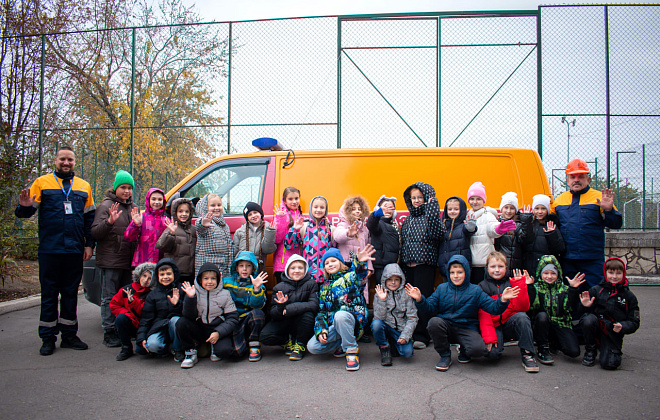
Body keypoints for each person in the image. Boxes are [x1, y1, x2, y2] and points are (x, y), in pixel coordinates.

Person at [15, 146, 95, 355]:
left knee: (70, 293)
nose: (66, 163)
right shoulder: (42, 182)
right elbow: (26, 211)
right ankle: (47, 337)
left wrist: (89, 244)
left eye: (70, 159)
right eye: (62, 159)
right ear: (55, 160)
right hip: (50, 250)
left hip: (74, 250)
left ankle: (69, 335)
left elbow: (89, 219)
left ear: (75, 162)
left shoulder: (84, 186)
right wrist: (24, 207)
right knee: (49, 293)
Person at [405, 254, 518, 372]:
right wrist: (420, 299)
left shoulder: (476, 290)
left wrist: (503, 300)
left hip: (467, 328)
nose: (456, 276)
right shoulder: (442, 289)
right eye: (452, 273)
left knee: (478, 350)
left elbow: (493, 308)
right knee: (434, 322)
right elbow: (429, 308)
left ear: (466, 273)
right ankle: (445, 356)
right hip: (447, 326)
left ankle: (465, 350)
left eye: (460, 272)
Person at [551, 158, 623, 288]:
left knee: (596, 294)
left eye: (581, 176)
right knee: (571, 296)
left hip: (592, 259)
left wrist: (609, 210)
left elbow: (616, 224)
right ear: (567, 180)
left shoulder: (600, 198)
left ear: (588, 179)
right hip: (568, 259)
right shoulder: (559, 201)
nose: (576, 180)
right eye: (572, 177)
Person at [307, 246, 375, 371]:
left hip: (354, 323)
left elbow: (361, 276)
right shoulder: (323, 288)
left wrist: (360, 263)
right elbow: (322, 312)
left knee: (340, 315)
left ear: (340, 262)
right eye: (327, 263)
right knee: (313, 347)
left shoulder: (350, 278)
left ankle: (351, 350)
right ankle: (343, 343)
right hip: (336, 325)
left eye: (333, 261)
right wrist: (321, 330)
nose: (330, 264)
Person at [91, 170, 138, 348]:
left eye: (129, 188)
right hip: (111, 260)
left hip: (128, 261)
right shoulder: (106, 206)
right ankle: (109, 331)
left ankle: (124, 327)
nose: (126, 191)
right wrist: (108, 222)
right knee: (109, 297)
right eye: (123, 187)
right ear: (116, 188)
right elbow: (95, 232)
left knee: (127, 296)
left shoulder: (131, 207)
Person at [400, 182, 444, 349]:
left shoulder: (430, 215)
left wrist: (433, 208)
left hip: (424, 264)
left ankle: (423, 336)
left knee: (422, 298)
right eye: (413, 198)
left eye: (420, 197)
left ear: (427, 198)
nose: (417, 200)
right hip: (408, 265)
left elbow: (437, 233)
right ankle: (411, 332)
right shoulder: (409, 219)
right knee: (410, 301)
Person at [478, 251, 538, 373]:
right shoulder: (481, 286)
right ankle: (496, 343)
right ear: (487, 268)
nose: (497, 270)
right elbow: (483, 315)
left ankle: (528, 354)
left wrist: (521, 286)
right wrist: (490, 338)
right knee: (492, 356)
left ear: (506, 268)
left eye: (500, 267)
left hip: (509, 322)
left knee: (522, 317)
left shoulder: (511, 282)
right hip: (493, 325)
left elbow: (523, 308)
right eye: (493, 266)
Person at [579, 257, 640, 370]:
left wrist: (623, 326)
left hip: (612, 332)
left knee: (610, 364)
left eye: (618, 273)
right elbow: (582, 315)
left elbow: (634, 322)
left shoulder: (629, 297)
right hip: (596, 327)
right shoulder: (596, 290)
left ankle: (606, 347)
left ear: (624, 273)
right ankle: (590, 349)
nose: (614, 276)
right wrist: (585, 306)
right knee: (588, 319)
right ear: (605, 273)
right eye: (611, 273)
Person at [176, 262, 239, 368]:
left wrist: (218, 332)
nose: (209, 282)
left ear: (218, 280)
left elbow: (232, 318)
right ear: (200, 280)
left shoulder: (225, 294)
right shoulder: (193, 292)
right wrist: (190, 298)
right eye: (206, 278)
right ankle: (190, 352)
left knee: (225, 351)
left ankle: (214, 347)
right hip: (200, 328)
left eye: (213, 278)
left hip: (216, 328)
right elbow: (189, 316)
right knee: (181, 323)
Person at [260, 254, 319, 361]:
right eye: (293, 268)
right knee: (265, 336)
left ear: (305, 269)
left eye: (300, 268)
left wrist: (289, 308)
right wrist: (281, 306)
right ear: (287, 270)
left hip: (302, 323)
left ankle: (300, 345)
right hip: (285, 321)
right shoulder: (279, 287)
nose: (296, 271)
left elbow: (313, 305)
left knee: (308, 314)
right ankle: (288, 342)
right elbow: (274, 314)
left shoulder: (311, 284)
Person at [527, 255, 583, 365]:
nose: (549, 276)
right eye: (546, 273)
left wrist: (573, 290)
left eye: (553, 273)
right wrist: (529, 287)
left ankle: (555, 343)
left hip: (560, 323)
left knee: (574, 352)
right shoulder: (536, 287)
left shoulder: (564, 289)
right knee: (542, 316)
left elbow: (569, 307)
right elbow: (532, 307)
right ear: (540, 273)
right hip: (542, 324)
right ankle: (542, 348)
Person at [466, 181, 515, 284]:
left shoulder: (488, 215)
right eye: (472, 199)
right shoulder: (468, 216)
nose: (475, 202)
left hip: (484, 263)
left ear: (483, 200)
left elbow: (492, 228)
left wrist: (498, 229)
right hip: (470, 261)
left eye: (478, 199)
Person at [136, 258, 185, 361]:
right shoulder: (153, 294)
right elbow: (146, 318)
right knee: (152, 345)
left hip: (175, 326)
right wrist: (141, 337)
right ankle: (165, 349)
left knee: (176, 320)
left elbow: (188, 314)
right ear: (157, 277)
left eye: (168, 274)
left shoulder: (181, 289)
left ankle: (177, 349)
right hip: (159, 325)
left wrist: (177, 304)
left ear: (174, 274)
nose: (165, 277)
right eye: (162, 275)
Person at [222, 251, 267, 361]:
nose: (245, 269)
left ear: (253, 269)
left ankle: (254, 345)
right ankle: (242, 343)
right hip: (231, 321)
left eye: (248, 266)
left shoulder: (257, 284)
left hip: (247, 320)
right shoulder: (226, 282)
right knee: (236, 354)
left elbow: (257, 305)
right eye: (241, 266)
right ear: (236, 268)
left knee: (258, 314)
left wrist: (256, 289)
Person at [371, 263, 418, 366]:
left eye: (396, 279)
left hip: (400, 329)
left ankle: (394, 342)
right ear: (385, 280)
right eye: (389, 279)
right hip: (387, 326)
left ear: (401, 280)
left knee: (407, 353)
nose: (393, 282)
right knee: (376, 324)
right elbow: (379, 318)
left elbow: (412, 317)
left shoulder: (406, 294)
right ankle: (384, 347)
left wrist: (405, 335)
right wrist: (382, 300)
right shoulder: (379, 293)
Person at [109, 262, 154, 361]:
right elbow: (114, 304)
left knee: (143, 352)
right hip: (131, 322)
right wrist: (127, 314)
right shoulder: (126, 289)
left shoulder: (152, 293)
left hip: (145, 325)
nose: (146, 280)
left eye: (150, 278)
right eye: (144, 276)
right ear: (139, 275)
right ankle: (126, 347)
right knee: (121, 318)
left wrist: (133, 302)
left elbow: (145, 312)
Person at [285, 195, 334, 283]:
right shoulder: (305, 227)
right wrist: (294, 229)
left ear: (326, 210)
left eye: (322, 207)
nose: (318, 210)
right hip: (308, 276)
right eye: (315, 207)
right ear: (311, 208)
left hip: (327, 276)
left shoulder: (330, 229)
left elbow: (334, 251)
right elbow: (289, 245)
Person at [333, 195, 373, 302]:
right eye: (353, 209)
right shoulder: (343, 225)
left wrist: (369, 267)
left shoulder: (364, 229)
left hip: (360, 266)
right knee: (345, 295)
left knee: (360, 293)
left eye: (359, 209)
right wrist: (348, 233)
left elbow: (367, 249)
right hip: (346, 266)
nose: (357, 212)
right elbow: (337, 236)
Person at [156, 198, 197, 284]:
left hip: (190, 272)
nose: (184, 214)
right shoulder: (172, 228)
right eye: (180, 211)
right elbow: (161, 246)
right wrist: (171, 234)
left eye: (187, 212)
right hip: (175, 272)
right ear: (175, 213)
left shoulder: (193, 229)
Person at [522, 194, 565, 277]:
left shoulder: (552, 225)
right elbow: (523, 242)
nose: (540, 212)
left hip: (545, 267)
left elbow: (560, 248)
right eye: (537, 208)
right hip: (529, 265)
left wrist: (551, 235)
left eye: (543, 208)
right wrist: (526, 223)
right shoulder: (530, 223)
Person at [123, 188, 167, 267]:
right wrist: (135, 225)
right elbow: (128, 237)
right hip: (142, 262)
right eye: (153, 199)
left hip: (160, 264)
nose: (156, 202)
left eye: (160, 199)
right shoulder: (141, 217)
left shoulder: (166, 221)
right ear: (148, 200)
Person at [366, 195, 400, 294]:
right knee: (382, 294)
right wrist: (377, 214)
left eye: (391, 208)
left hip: (394, 267)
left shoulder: (394, 227)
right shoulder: (378, 224)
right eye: (385, 207)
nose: (388, 210)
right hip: (381, 267)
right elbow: (371, 223)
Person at [437, 196, 477, 279]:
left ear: (461, 210)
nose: (452, 212)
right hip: (445, 268)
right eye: (450, 209)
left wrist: (471, 227)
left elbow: (469, 231)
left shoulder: (463, 226)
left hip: (460, 269)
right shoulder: (443, 226)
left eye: (456, 209)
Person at [494, 192, 533, 273]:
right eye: (506, 207)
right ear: (501, 209)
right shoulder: (496, 223)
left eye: (512, 208)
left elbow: (526, 240)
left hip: (514, 266)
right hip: (498, 265)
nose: (508, 211)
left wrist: (526, 222)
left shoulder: (518, 225)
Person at [194, 193, 231, 277]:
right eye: (212, 205)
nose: (216, 208)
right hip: (207, 265)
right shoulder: (205, 221)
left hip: (222, 264)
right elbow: (200, 230)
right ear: (205, 208)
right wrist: (203, 224)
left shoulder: (224, 225)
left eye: (219, 205)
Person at [272, 187, 303, 283]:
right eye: (290, 199)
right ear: (284, 201)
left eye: (296, 198)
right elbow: (277, 239)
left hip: (297, 265)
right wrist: (280, 218)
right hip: (283, 265)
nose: (294, 201)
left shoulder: (301, 216)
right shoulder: (281, 215)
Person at [231, 201, 276, 266]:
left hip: (258, 266)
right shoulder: (240, 231)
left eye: (255, 212)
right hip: (242, 266)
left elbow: (268, 250)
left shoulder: (268, 229)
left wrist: (270, 232)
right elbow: (234, 250)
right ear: (247, 218)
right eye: (250, 214)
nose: (253, 216)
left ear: (260, 213)